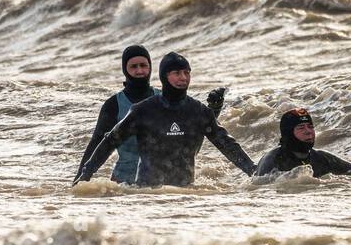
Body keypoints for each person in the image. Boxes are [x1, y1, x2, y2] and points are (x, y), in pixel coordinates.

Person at [74, 52, 253, 186]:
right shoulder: (143, 110)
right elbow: (109, 141)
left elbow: (227, 144)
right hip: (147, 196)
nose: (183, 78)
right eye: (176, 73)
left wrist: (254, 172)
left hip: (186, 194)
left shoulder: (199, 111)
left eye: (186, 72)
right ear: (164, 76)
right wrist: (84, 177)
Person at [255, 108, 351, 177]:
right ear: (288, 133)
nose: (309, 132)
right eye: (301, 128)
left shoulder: (321, 158)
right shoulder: (273, 161)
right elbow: (261, 188)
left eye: (310, 127)